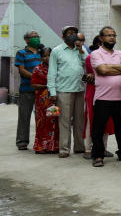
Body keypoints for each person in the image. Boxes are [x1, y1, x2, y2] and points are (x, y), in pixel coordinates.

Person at [89, 27, 121, 166]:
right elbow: (102, 70)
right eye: (108, 35)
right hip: (102, 98)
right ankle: (97, 156)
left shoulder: (120, 53)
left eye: (114, 35)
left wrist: (110, 68)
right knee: (99, 128)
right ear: (101, 38)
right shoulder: (95, 54)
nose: (112, 38)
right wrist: (120, 68)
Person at [48, 25, 87, 158]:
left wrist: (81, 49)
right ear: (63, 37)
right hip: (63, 90)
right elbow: (52, 72)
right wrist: (52, 92)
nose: (72, 35)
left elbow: (87, 63)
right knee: (64, 121)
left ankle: (80, 147)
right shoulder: (56, 51)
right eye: (69, 33)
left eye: (74, 33)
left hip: (79, 89)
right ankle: (64, 149)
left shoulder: (80, 49)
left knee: (79, 120)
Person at [82, 35, 113, 159]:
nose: (102, 45)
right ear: (95, 45)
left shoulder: (111, 56)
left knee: (105, 120)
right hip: (93, 91)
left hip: (108, 91)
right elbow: (103, 71)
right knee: (91, 119)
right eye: (100, 43)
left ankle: (103, 148)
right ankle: (88, 149)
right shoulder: (91, 57)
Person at [15, 30, 43, 151]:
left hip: (42, 90)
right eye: (33, 37)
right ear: (26, 40)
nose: (36, 38)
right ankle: (22, 142)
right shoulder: (21, 53)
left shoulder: (43, 52)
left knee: (41, 117)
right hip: (27, 89)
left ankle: (41, 141)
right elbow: (21, 70)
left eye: (37, 36)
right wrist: (36, 77)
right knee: (24, 116)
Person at [29, 48, 59, 154]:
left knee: (53, 121)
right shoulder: (37, 69)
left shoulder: (57, 68)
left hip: (53, 100)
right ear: (41, 57)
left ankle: (53, 147)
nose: (47, 58)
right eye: (44, 56)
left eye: (49, 55)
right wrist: (47, 85)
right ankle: (40, 146)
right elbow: (33, 84)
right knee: (42, 122)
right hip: (42, 101)